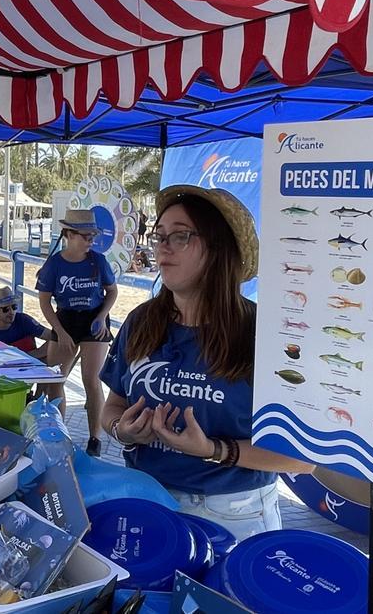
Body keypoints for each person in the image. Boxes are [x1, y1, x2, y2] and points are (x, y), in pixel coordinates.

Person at [100, 185, 314, 540]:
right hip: (144, 499)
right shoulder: (141, 321)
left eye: (180, 236)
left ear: (218, 249)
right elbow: (114, 407)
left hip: (232, 516)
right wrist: (123, 430)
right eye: (160, 235)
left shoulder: (263, 335)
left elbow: (301, 459)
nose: (163, 247)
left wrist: (215, 450)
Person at [36, 209, 118, 457]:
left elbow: (112, 291)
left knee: (91, 380)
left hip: (94, 321)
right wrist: (59, 332)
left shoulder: (98, 261)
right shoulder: (55, 264)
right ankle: (59, 435)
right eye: (85, 236)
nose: (91, 241)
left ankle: (95, 438)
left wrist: (102, 317)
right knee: (55, 380)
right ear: (69, 234)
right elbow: (44, 302)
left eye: (93, 235)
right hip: (66, 319)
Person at [0, 286, 58, 360]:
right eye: (5, 309)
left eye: (14, 307)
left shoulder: (24, 321)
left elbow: (56, 338)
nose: (12, 312)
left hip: (28, 369)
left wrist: (31, 355)